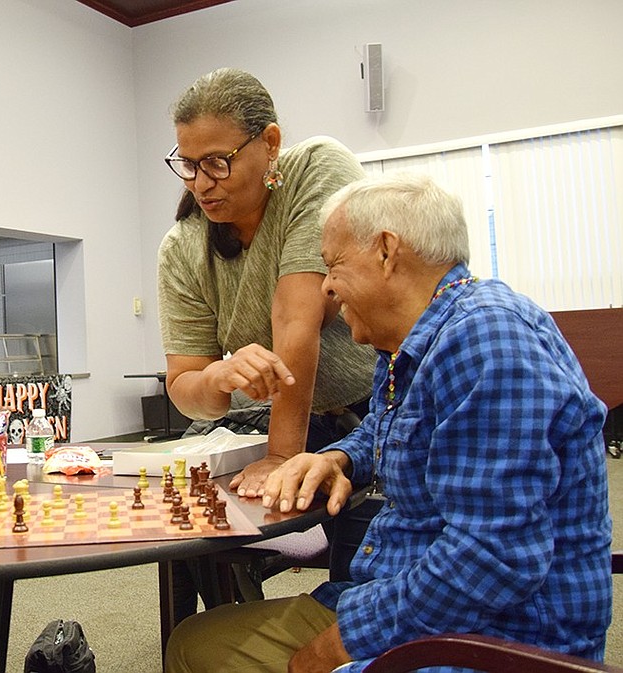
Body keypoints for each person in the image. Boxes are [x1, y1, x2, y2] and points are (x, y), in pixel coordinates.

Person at [164, 172, 613, 672]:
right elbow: (385, 426)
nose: (327, 287)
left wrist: (341, 644)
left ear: (386, 250)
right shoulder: (417, 339)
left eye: (332, 265)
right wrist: (339, 457)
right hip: (409, 595)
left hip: (493, 638)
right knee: (195, 643)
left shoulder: (487, 340)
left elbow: (495, 557)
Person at [157, 67, 378, 617]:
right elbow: (185, 386)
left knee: (362, 571)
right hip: (275, 412)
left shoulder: (315, 168)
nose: (200, 182)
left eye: (217, 162)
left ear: (270, 143)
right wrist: (216, 380)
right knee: (184, 512)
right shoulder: (182, 249)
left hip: (367, 411)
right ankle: (214, 627)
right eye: (187, 164)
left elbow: (296, 318)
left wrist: (283, 455)